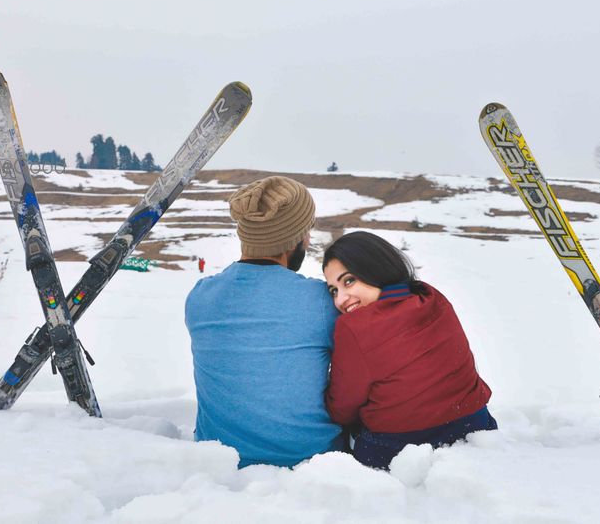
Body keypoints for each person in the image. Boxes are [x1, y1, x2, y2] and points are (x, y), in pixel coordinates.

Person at [185, 176, 344, 468]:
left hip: (220, 460)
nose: (308, 241)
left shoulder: (200, 297)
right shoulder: (321, 301)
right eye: (306, 231)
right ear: (293, 239)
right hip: (310, 461)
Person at [322, 231, 495, 470]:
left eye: (348, 281)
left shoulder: (353, 327)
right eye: (333, 290)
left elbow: (342, 408)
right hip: (475, 426)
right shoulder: (431, 296)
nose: (341, 299)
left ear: (373, 268)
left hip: (396, 448)